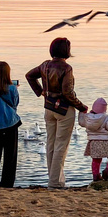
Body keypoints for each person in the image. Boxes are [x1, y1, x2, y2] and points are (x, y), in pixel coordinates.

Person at [26, 38, 88, 189]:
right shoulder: (66, 68)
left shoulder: (45, 65)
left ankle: (55, 180)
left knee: (51, 145)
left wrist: (41, 92)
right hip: (64, 110)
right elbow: (67, 92)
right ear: (67, 51)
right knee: (61, 146)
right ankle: (55, 183)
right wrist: (82, 107)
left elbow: (29, 76)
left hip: (49, 108)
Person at [80, 97, 108, 181]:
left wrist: (82, 113)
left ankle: (96, 176)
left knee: (96, 159)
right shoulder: (105, 118)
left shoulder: (87, 118)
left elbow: (81, 122)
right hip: (105, 142)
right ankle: (107, 171)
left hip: (93, 142)